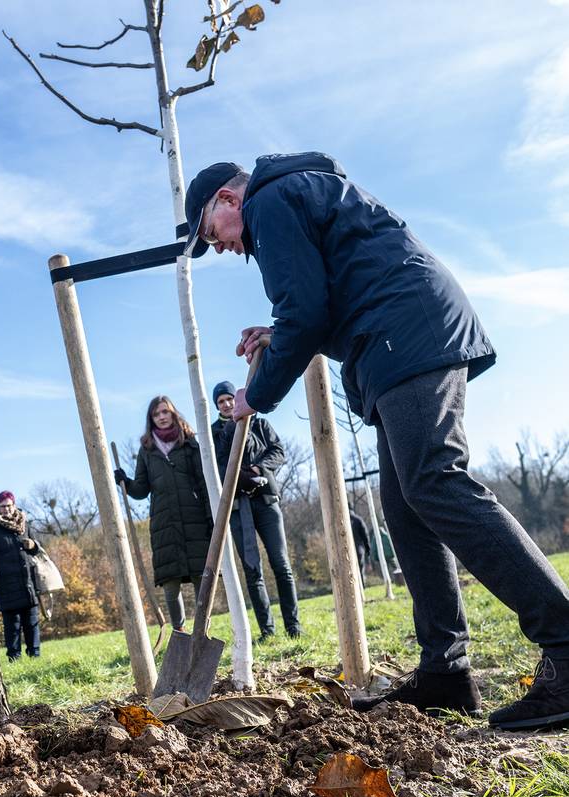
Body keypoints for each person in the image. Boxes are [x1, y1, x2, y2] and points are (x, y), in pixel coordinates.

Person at [183, 151, 569, 728]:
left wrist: (254, 397)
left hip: (404, 331)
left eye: (214, 236)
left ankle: (564, 643)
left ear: (230, 201)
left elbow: (307, 311)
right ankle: (445, 672)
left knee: (434, 482)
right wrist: (281, 331)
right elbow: (325, 301)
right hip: (397, 331)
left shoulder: (268, 202)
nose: (223, 249)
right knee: (406, 505)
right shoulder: (295, 194)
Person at [211, 381, 301, 640]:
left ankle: (293, 627)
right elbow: (219, 466)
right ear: (217, 406)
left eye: (230, 399)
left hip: (266, 502)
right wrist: (241, 476)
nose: (227, 404)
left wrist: (259, 469)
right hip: (239, 508)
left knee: (281, 565)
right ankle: (267, 631)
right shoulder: (216, 433)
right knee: (253, 570)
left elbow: (278, 451)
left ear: (237, 399)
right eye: (221, 402)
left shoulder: (259, 423)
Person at [113, 396, 212, 633]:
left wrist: (211, 517)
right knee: (170, 580)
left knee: (201, 575)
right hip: (164, 522)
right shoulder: (147, 450)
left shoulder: (189, 443)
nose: (162, 417)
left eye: (165, 412)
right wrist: (124, 482)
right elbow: (141, 489)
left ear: (173, 413)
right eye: (157, 414)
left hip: (194, 518)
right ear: (151, 419)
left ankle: (202, 630)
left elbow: (203, 481)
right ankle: (179, 632)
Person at [0, 491, 41, 661]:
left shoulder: (24, 523)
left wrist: (33, 545)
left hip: (27, 580)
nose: (6, 509)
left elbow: (37, 550)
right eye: (2, 506)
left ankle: (34, 655)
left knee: (32, 620)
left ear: (14, 505)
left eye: (8, 506)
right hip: (5, 583)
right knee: (12, 624)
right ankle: (14, 657)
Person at [350, 506, 372, 585]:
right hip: (358, 548)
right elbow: (365, 536)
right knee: (360, 569)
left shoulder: (339, 521)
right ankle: (362, 586)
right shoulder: (358, 520)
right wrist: (368, 551)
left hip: (346, 550)